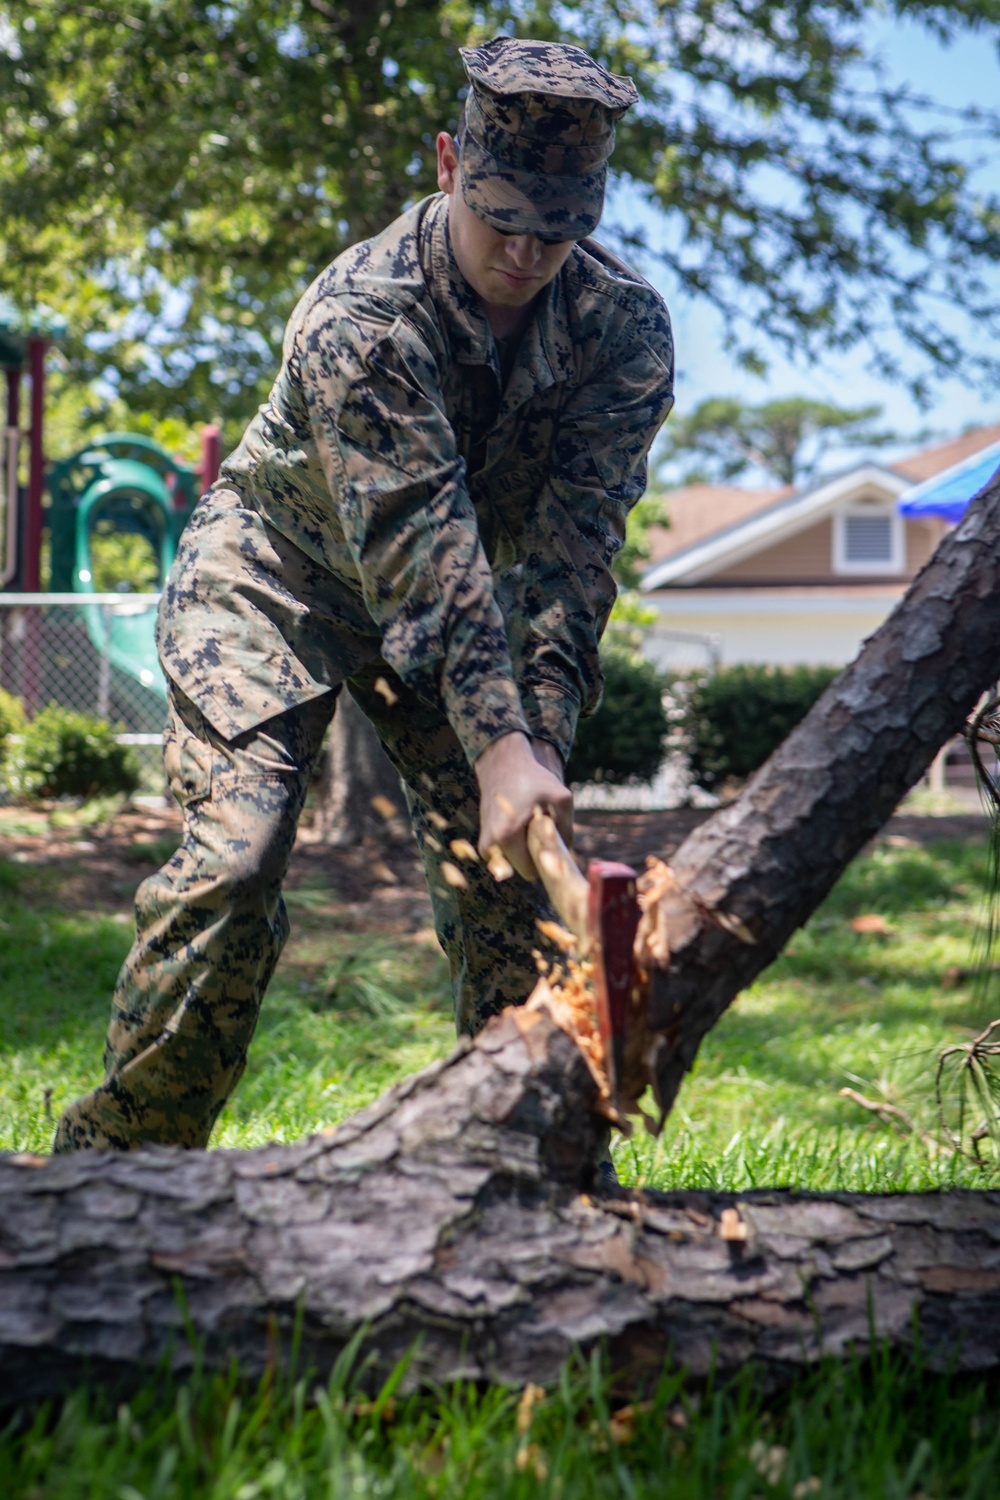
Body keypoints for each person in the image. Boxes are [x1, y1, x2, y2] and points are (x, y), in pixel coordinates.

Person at [54, 37, 675, 1153]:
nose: (528, 255)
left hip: (456, 614)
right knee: (234, 867)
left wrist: (532, 751)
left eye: (559, 230)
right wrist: (494, 747)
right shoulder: (363, 317)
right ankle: (114, 1181)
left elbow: (573, 563)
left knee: (515, 900)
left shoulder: (622, 333)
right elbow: (417, 542)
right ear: (445, 165)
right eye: (502, 220)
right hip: (274, 578)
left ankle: (511, 1179)